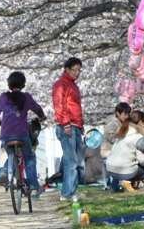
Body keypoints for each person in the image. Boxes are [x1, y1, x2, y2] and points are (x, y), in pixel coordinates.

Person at [0, 71, 46, 198]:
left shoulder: (3, 97)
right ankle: (33, 185)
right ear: (24, 85)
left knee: (11, 155)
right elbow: (37, 109)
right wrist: (42, 117)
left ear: (9, 84)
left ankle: (4, 170)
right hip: (22, 135)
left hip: (6, 135)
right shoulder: (26, 97)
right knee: (29, 158)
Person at [52, 57, 84, 201]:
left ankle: (72, 191)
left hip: (75, 126)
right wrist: (65, 124)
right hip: (67, 126)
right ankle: (67, 193)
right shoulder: (60, 84)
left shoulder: (74, 86)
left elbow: (76, 107)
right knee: (71, 162)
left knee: (77, 162)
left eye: (79, 70)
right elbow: (59, 105)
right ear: (66, 69)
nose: (77, 72)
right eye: (74, 69)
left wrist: (80, 124)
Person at [104, 117, 144, 192]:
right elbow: (142, 160)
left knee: (122, 163)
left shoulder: (122, 134)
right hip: (125, 171)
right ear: (141, 122)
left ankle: (114, 187)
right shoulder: (138, 136)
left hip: (110, 169)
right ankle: (127, 181)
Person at [101, 102, 131, 187]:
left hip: (116, 149)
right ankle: (116, 183)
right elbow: (111, 137)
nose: (127, 116)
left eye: (128, 114)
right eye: (125, 114)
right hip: (108, 150)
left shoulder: (120, 123)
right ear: (118, 113)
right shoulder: (112, 123)